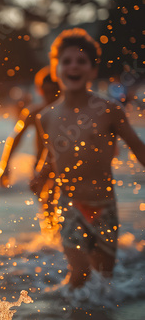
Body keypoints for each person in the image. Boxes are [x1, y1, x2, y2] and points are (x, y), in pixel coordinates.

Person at [32, 28, 145, 289]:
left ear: (93, 71)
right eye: (67, 61)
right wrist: (41, 174)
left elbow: (138, 148)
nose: (74, 66)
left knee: (103, 281)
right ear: (56, 68)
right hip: (69, 206)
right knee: (79, 275)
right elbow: (54, 156)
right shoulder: (47, 116)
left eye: (81, 61)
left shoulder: (109, 110)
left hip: (104, 205)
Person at [0, 66, 60, 230]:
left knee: (58, 200)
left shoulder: (66, 112)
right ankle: (53, 238)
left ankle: (61, 238)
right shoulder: (34, 112)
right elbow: (15, 138)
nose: (51, 96)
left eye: (56, 92)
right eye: (47, 92)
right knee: (47, 203)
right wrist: (5, 166)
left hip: (63, 164)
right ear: (39, 90)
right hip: (40, 166)